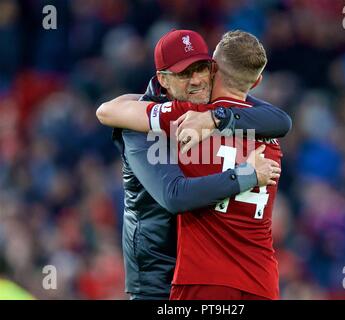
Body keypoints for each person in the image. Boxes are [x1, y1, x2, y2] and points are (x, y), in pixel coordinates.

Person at [97, 29, 291, 300]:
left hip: (202, 275)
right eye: (185, 73)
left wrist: (217, 117)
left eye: (201, 68)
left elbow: (280, 120)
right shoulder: (139, 126)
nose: (198, 80)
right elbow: (173, 195)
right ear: (163, 79)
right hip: (158, 280)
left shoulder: (213, 109)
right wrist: (245, 175)